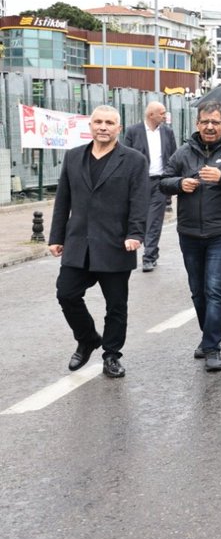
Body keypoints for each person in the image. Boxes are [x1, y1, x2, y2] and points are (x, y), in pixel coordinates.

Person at [49, 106, 149, 378]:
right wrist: (56, 237)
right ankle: (88, 338)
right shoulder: (73, 157)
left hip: (115, 243)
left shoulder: (134, 160)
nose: (103, 127)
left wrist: (135, 234)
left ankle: (111, 355)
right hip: (79, 243)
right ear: (90, 125)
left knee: (116, 305)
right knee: (66, 293)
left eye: (109, 123)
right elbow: (63, 200)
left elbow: (139, 201)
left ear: (119, 128)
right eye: (98, 122)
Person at [160, 102, 221, 372]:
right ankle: (208, 337)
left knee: (215, 288)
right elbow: (163, 182)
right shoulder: (184, 152)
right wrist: (180, 184)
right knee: (197, 290)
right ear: (197, 124)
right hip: (189, 232)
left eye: (215, 122)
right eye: (205, 122)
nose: (209, 126)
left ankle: (213, 347)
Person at [122, 101, 177, 273]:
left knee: (155, 220)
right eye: (162, 113)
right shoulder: (133, 131)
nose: (165, 116)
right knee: (143, 219)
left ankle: (149, 256)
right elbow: (126, 157)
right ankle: (152, 249)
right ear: (151, 115)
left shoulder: (168, 132)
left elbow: (173, 156)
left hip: (160, 182)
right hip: (140, 182)